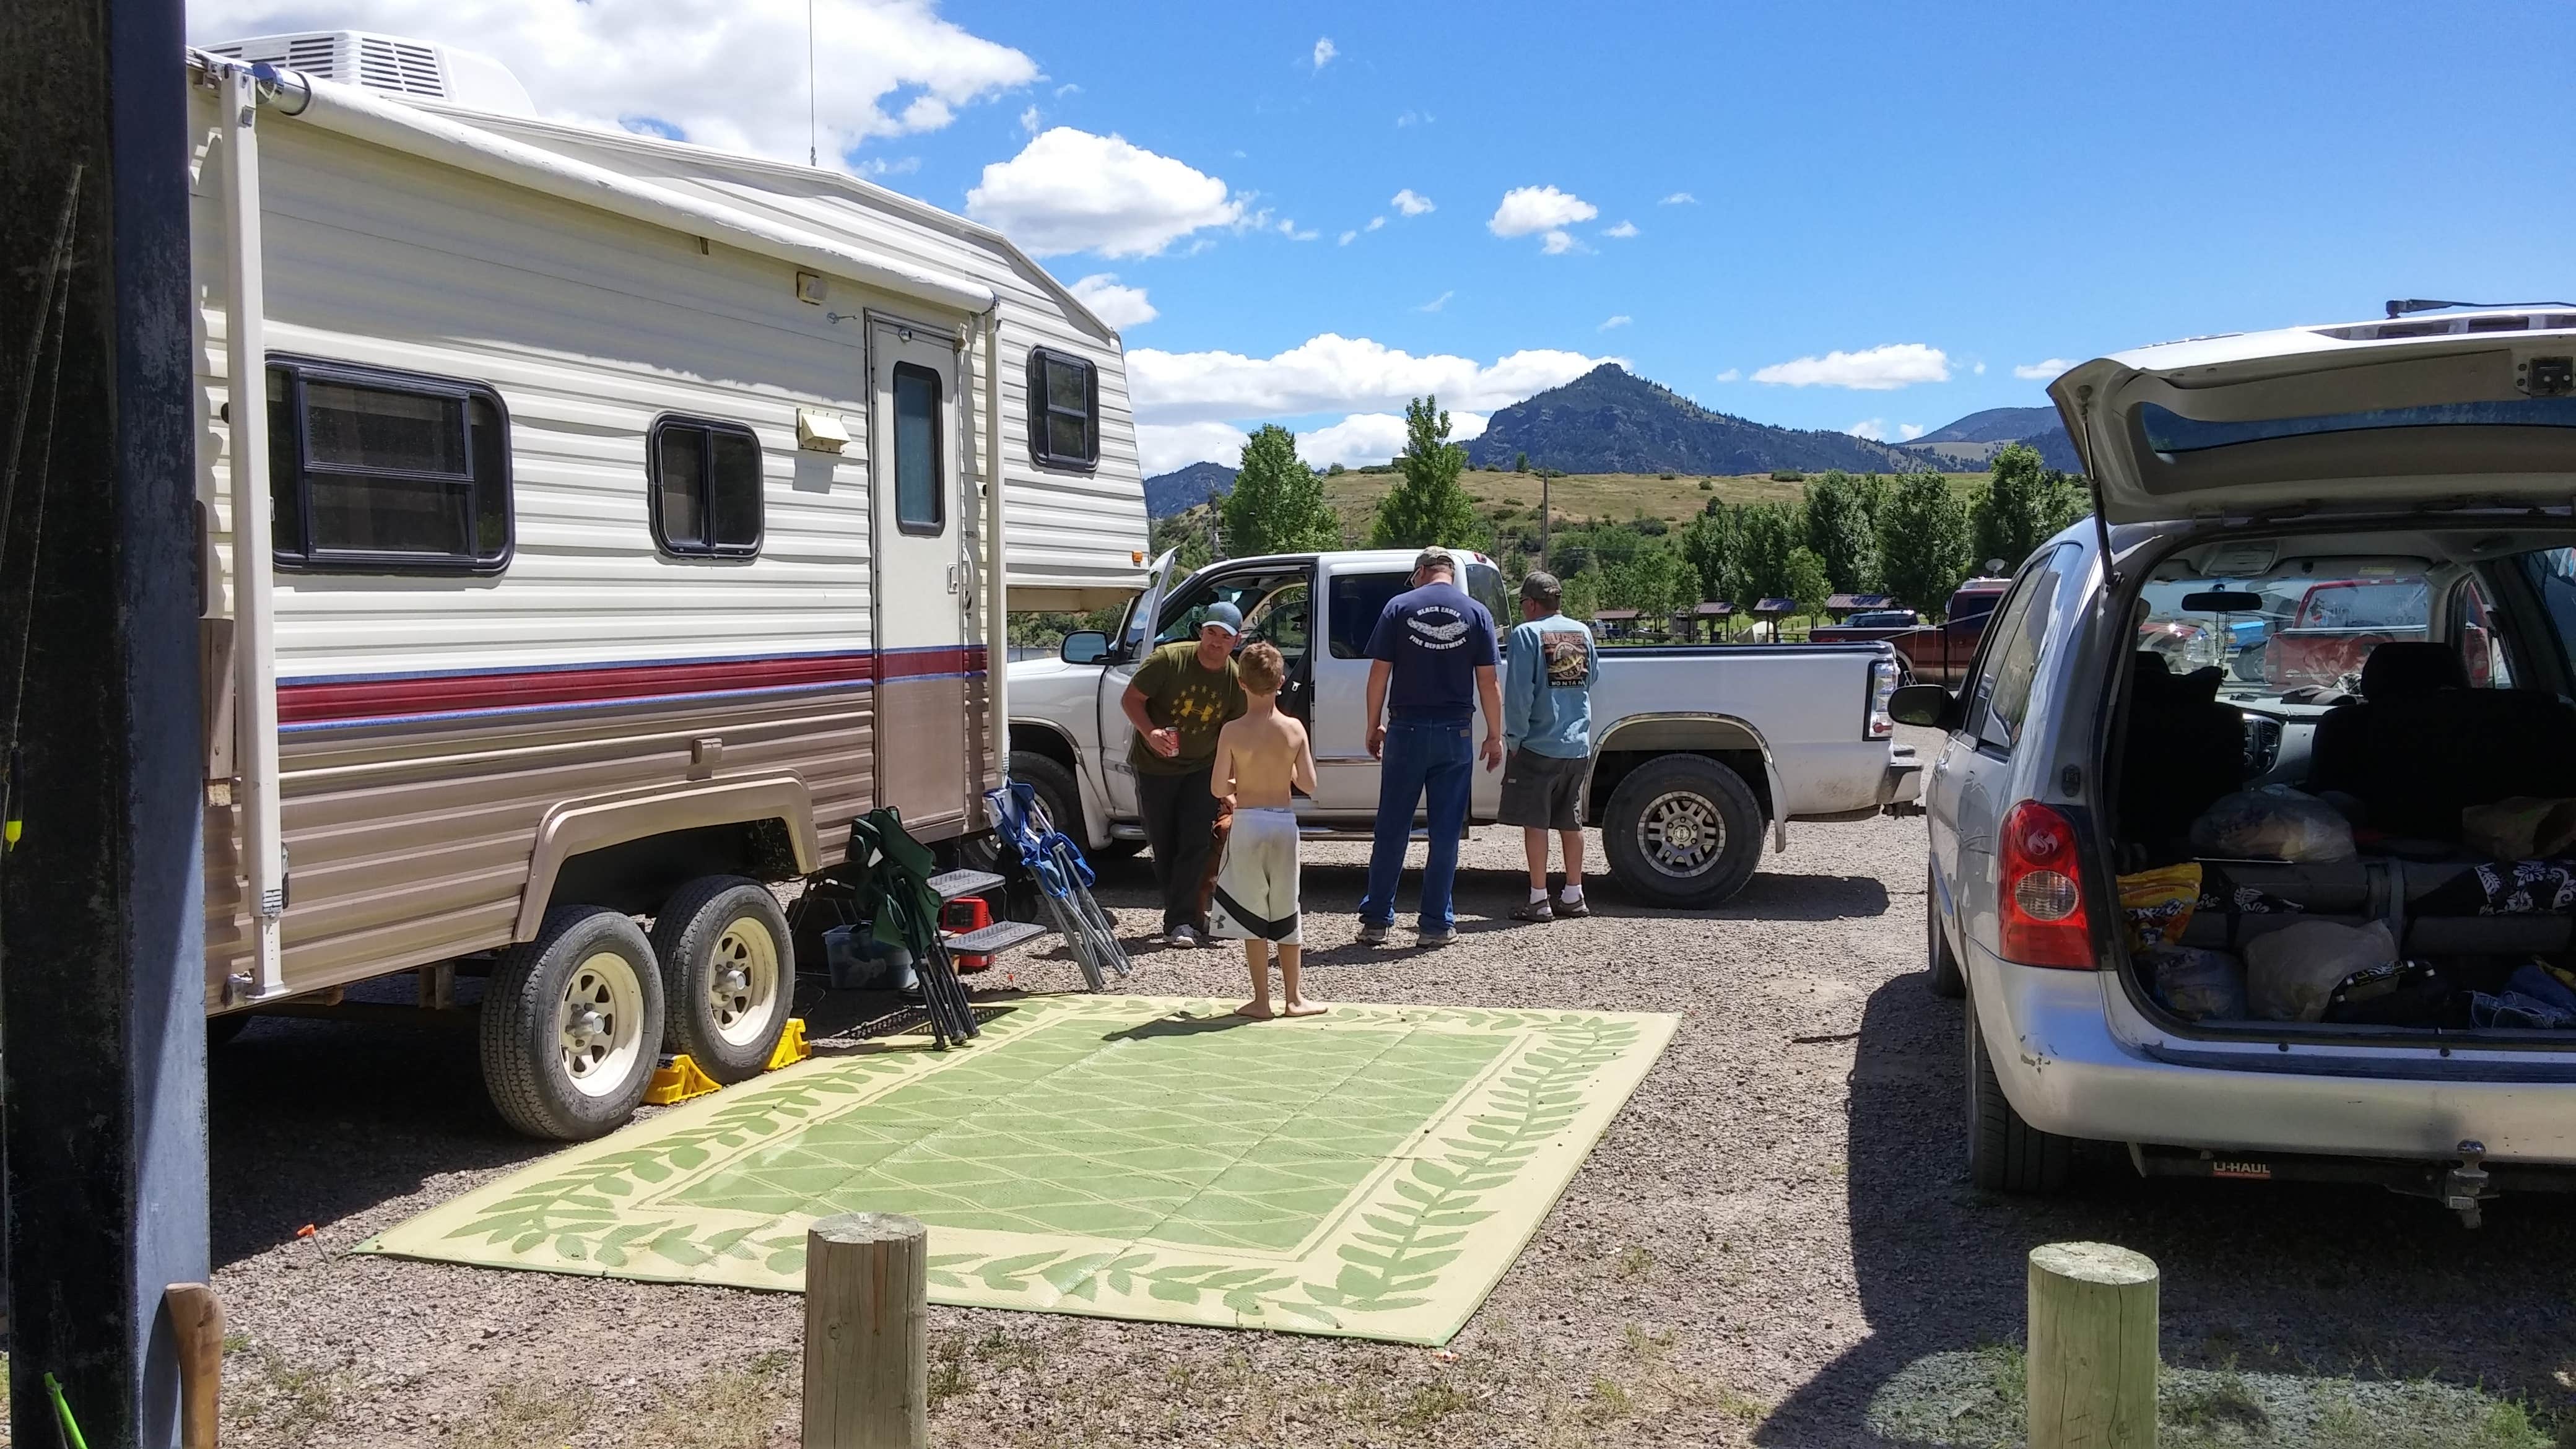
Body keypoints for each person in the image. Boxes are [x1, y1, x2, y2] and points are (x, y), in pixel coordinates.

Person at [1357, 549, 1502, 947]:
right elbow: (1488, 682)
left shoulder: (1398, 607)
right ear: (1451, 575)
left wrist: (1374, 725)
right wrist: (1494, 734)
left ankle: (1376, 921)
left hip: (1406, 728)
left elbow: (1378, 674)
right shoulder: (1476, 613)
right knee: (1445, 833)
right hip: (1456, 731)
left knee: (1393, 827)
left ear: (1421, 573)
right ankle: (1436, 925)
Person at [1208, 642, 1325, 1018]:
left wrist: (1238, 783)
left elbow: (1217, 788)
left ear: (1241, 682)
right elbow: (1309, 783)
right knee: (1287, 905)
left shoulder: (1232, 730)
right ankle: (1294, 998)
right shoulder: (1293, 729)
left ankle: (1261, 1000)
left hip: (1249, 820)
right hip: (1282, 822)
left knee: (1250, 910)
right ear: (1281, 682)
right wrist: (1286, 769)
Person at [1121, 601, 1247, 948]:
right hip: (1153, 766)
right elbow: (1131, 699)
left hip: (1201, 767)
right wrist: (1151, 733)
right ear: (1201, 632)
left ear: (1235, 642)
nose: (1215, 643)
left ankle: (1180, 922)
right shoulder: (1169, 660)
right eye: (1210, 633)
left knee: (1195, 842)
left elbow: (1233, 733)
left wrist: (1229, 783)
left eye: (1224, 637)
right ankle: (1186, 913)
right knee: (1165, 844)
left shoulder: (1235, 679)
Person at [1497, 570, 1598, 922]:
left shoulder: (1526, 635)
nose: (1522, 609)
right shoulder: (1582, 632)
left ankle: (1538, 899)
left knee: (1535, 822)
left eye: (1523, 602)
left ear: (1532, 603)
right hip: (1578, 744)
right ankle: (1574, 893)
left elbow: (1519, 695)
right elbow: (1593, 678)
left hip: (1539, 744)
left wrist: (1514, 739)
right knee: (1570, 820)